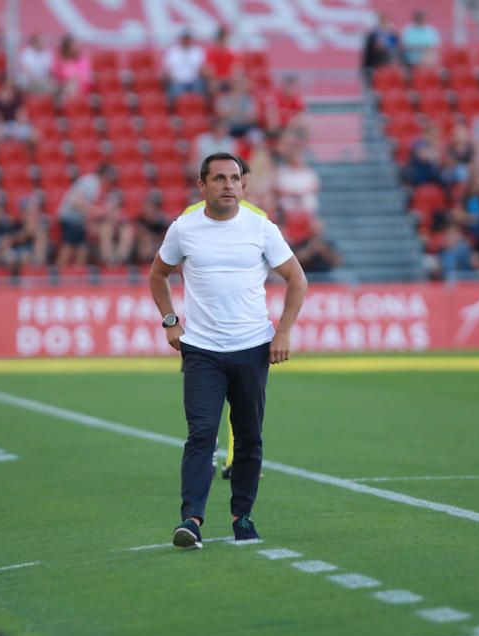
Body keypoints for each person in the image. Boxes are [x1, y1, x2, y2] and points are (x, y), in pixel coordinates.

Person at [149, 152, 308, 549]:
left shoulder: (261, 228)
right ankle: (191, 520)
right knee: (201, 434)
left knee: (249, 436)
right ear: (202, 186)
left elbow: (297, 279)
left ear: (243, 184)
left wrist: (283, 333)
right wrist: (171, 322)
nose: (228, 186)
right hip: (201, 350)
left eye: (234, 178)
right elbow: (158, 274)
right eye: (218, 179)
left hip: (253, 348)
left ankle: (242, 517)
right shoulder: (184, 229)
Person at [55, 164, 119, 268]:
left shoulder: (92, 182)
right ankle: (59, 272)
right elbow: (75, 202)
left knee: (82, 246)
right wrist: (98, 211)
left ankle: (76, 272)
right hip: (71, 218)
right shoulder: (92, 183)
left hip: (77, 219)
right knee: (70, 245)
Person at [162, 30, 206, 98]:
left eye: (187, 38)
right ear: (180, 39)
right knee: (175, 91)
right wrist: (170, 78)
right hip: (177, 81)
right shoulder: (172, 51)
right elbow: (167, 70)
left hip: (194, 81)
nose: (186, 40)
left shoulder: (197, 51)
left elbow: (202, 69)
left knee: (199, 89)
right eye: (184, 38)